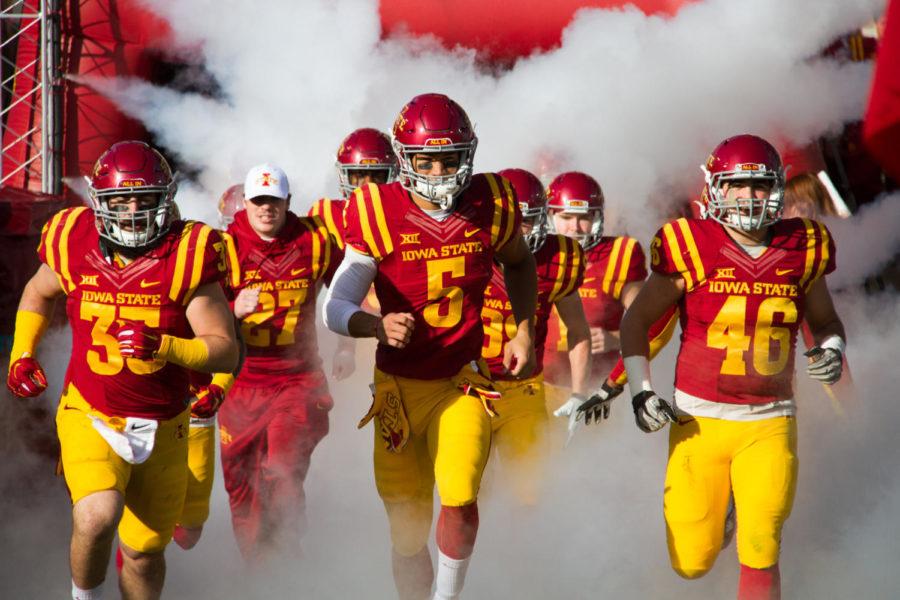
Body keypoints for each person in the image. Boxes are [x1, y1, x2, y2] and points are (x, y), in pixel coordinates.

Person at [324, 92, 537, 600]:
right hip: (397, 387)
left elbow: (521, 262)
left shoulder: (494, 201)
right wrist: (373, 327)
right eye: (426, 159)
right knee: (406, 532)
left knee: (461, 493)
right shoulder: (375, 209)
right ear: (403, 159)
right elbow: (336, 305)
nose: (439, 171)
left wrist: (524, 328)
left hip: (461, 380)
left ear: (469, 153)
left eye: (449, 158)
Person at [5, 140, 238, 600]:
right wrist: (22, 352)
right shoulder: (73, 239)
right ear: (99, 203)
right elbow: (37, 291)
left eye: (144, 198)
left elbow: (224, 351)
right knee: (96, 516)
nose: (132, 210)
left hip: (165, 423)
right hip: (91, 413)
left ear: (165, 199)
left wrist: (165, 345)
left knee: (145, 553)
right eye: (121, 200)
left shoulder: (188, 252)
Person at [620, 134, 846, 599]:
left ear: (777, 190)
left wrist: (834, 348)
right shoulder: (688, 243)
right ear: (714, 190)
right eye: (736, 186)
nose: (749, 197)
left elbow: (825, 321)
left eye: (760, 186)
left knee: (762, 545)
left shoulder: (804, 245)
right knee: (691, 561)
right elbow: (637, 320)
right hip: (698, 420)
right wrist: (641, 390)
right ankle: (722, 511)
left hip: (770, 420)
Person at [217, 163, 336, 564]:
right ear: (246, 203)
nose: (267, 209)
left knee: (282, 471)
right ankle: (258, 570)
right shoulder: (224, 247)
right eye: (259, 201)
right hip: (241, 384)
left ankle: (290, 554)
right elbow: (191, 315)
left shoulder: (315, 239)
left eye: (274, 201)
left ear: (288, 202)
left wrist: (354, 341)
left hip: (296, 379)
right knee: (242, 488)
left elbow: (355, 283)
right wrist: (232, 308)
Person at [481, 167, 590, 501]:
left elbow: (578, 330)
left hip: (523, 391)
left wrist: (579, 394)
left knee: (528, 495)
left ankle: (522, 551)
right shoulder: (466, 252)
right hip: (468, 387)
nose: (518, 231)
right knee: (469, 493)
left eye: (526, 221)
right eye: (511, 221)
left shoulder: (558, 259)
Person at [540, 172, 647, 412]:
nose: (575, 227)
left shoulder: (621, 253)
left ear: (597, 217)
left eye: (584, 218)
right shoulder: (537, 254)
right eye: (566, 217)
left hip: (600, 386)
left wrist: (615, 339)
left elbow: (647, 319)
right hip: (541, 385)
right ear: (550, 216)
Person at [308, 128, 399, 380]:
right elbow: (308, 293)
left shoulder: (406, 213)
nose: (367, 187)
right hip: (348, 330)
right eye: (359, 176)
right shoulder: (325, 215)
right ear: (344, 176)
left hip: (402, 330)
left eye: (377, 176)